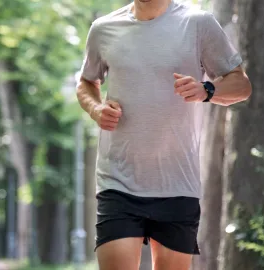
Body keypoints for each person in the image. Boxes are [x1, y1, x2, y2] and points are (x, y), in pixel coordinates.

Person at [76, 0, 252, 269]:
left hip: (177, 183)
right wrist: (96, 108)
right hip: (118, 182)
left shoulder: (197, 24)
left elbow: (241, 85)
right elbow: (87, 82)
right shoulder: (103, 28)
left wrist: (206, 90)